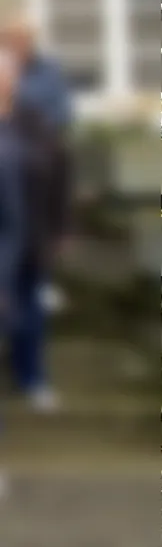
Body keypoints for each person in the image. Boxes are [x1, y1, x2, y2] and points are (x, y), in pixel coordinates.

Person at [0, 49, 69, 415]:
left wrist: (59, 230)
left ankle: (31, 379)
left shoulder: (32, 121)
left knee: (30, 315)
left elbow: (58, 174)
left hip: (31, 236)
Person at [1, 18, 73, 128]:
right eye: (11, 40)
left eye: (22, 39)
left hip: (38, 137)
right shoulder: (4, 70)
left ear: (31, 41)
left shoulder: (49, 71)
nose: (17, 45)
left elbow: (62, 114)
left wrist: (16, 93)